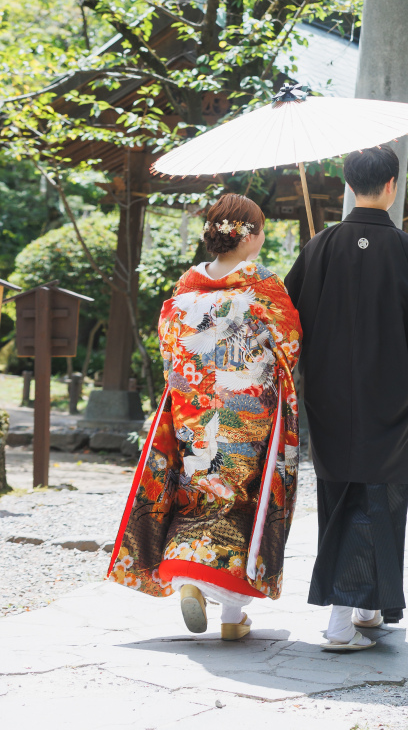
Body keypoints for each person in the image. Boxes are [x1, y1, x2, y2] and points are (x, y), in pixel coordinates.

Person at [285, 144, 408, 651]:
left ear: (348, 186)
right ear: (392, 187)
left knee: (340, 494)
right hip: (391, 401)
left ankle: (367, 607)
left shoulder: (319, 248)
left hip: (329, 400)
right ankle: (340, 622)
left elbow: (286, 326)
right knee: (379, 500)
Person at [108, 192, 302, 640]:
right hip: (245, 411)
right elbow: (289, 340)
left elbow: (169, 344)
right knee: (240, 494)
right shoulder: (262, 286)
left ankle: (200, 586)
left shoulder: (186, 288)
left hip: (192, 407)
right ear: (249, 236)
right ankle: (229, 611)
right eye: (261, 228)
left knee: (198, 488)